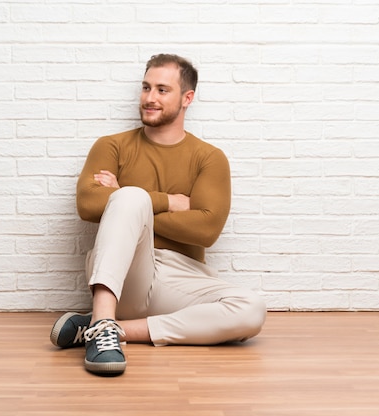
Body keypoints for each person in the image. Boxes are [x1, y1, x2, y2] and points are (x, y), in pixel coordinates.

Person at [50, 53, 266, 376]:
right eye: (146, 87)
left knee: (252, 310)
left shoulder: (209, 158)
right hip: (126, 275)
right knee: (131, 198)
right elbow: (87, 204)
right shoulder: (111, 146)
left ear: (187, 98)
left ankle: (106, 327)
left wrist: (128, 203)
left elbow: (206, 228)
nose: (150, 98)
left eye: (162, 90)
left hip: (182, 277)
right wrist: (166, 202)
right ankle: (105, 317)